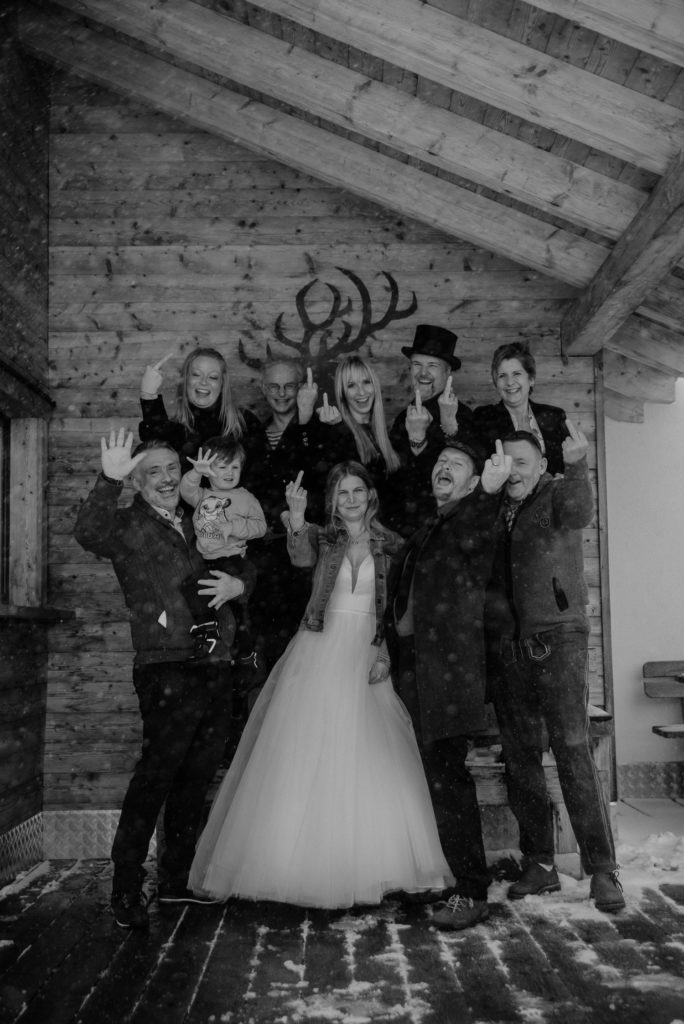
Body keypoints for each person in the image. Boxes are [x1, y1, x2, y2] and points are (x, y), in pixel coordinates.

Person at [188, 462, 455, 908]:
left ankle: (368, 862)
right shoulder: (323, 537)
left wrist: (386, 653)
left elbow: (398, 609)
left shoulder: (393, 544)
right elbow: (299, 558)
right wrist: (296, 518)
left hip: (367, 649)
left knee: (369, 750)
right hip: (319, 644)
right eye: (342, 493)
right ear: (332, 500)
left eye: (357, 491)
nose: (350, 499)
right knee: (305, 748)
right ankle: (292, 866)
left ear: (370, 495)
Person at [74, 429, 253, 929]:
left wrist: (241, 583)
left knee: (196, 777)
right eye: (153, 471)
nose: (167, 478)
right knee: (156, 777)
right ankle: (126, 886)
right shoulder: (126, 525)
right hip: (165, 666)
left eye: (172, 468)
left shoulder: (204, 516)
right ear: (137, 481)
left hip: (215, 663)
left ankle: (176, 881)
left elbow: (245, 561)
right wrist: (108, 481)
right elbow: (88, 533)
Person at [484, 425, 624, 912]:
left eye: (522, 462)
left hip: (558, 638)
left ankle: (603, 869)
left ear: (542, 466)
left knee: (571, 748)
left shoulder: (558, 494)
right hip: (508, 646)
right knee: (520, 757)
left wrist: (579, 465)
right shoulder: (492, 507)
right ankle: (540, 863)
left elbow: (581, 510)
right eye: (506, 462)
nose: (513, 471)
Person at [385, 438, 512, 930]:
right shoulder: (431, 525)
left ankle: (471, 891)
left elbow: (478, 537)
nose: (444, 467)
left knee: (449, 782)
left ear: (474, 481)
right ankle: (445, 877)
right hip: (418, 669)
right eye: (440, 461)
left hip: (449, 673)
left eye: (457, 464)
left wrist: (489, 494)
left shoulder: (472, 519)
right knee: (429, 780)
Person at [247, 359, 323, 670]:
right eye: (274, 386)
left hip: (305, 554)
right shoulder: (254, 436)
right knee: (269, 645)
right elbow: (251, 487)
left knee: (307, 647)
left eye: (289, 386)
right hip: (263, 557)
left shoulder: (318, 429)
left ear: (301, 388)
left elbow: (316, 476)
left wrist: (304, 421)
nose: (281, 393)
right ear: (263, 389)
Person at [179, 437, 266, 661]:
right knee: (194, 589)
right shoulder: (201, 496)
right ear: (209, 471)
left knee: (238, 610)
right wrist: (196, 472)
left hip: (233, 560)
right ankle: (208, 635)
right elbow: (185, 489)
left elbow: (260, 527)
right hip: (207, 561)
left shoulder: (245, 498)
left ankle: (245, 654)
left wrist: (234, 526)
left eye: (235, 467)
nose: (230, 472)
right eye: (222, 467)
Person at [389, 324, 475, 535]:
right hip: (402, 529)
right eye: (417, 364)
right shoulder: (402, 418)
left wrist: (442, 426)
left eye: (433, 365)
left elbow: (464, 475)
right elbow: (397, 477)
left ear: (448, 372)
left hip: (445, 530)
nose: (423, 373)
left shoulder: (464, 415)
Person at [138, 346, 261, 471]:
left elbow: (262, 473)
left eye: (213, 377)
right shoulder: (176, 429)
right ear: (186, 379)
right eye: (196, 375)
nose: (204, 382)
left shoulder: (245, 422)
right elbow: (153, 448)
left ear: (222, 383)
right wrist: (148, 394)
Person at [313, 354, 401, 522]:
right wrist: (336, 429)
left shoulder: (385, 436)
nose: (361, 391)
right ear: (342, 393)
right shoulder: (335, 434)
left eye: (366, 382)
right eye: (351, 385)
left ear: (375, 386)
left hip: (382, 531)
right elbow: (338, 487)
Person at [472, 341, 569, 476]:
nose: (510, 382)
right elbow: (477, 467)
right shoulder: (484, 417)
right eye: (502, 376)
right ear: (496, 383)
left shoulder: (555, 416)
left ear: (531, 379)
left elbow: (568, 466)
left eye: (516, 374)